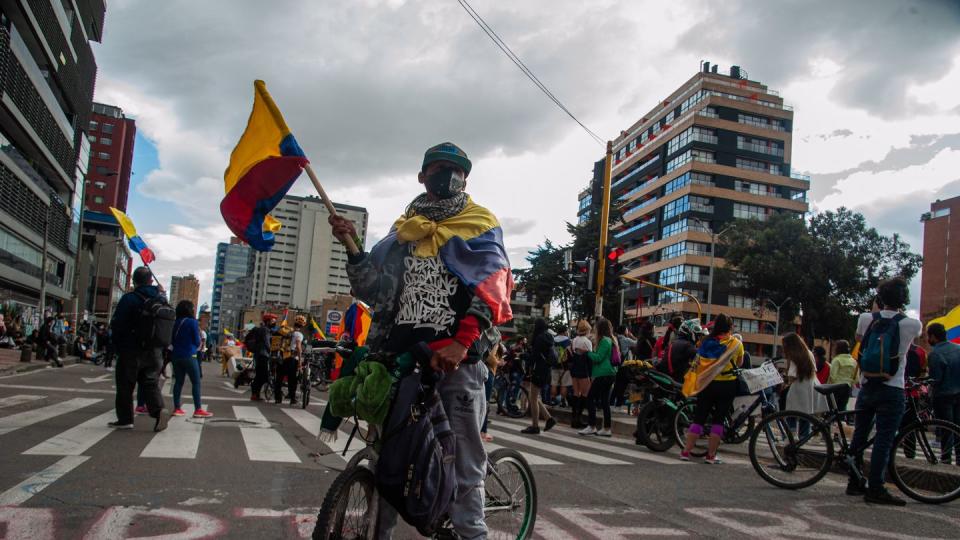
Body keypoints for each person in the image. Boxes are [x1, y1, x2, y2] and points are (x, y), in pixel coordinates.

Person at [329, 142, 512, 539]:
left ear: (466, 178)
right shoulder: (401, 233)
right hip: (400, 361)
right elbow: (374, 293)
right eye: (439, 168)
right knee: (388, 462)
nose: (448, 175)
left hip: (456, 364)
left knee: (464, 466)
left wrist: (462, 343)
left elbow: (493, 290)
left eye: (457, 170)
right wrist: (352, 248)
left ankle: (471, 534)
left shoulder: (479, 224)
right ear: (422, 175)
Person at [847, 277, 922, 505]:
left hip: (867, 386)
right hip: (892, 387)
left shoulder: (866, 318)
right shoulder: (911, 325)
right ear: (904, 299)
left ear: (879, 298)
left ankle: (854, 481)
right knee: (884, 439)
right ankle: (876, 487)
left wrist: (875, 311)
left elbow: (860, 339)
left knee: (860, 434)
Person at [108, 266, 169, 432]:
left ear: (134, 282)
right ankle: (158, 411)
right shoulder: (161, 299)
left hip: (131, 349)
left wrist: (117, 346)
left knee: (125, 385)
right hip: (155, 350)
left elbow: (117, 324)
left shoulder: (129, 299)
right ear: (150, 281)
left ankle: (125, 419)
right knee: (150, 383)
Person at [680, 314, 743, 464]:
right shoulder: (736, 344)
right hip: (727, 385)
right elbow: (739, 364)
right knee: (718, 421)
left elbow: (699, 362)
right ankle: (710, 455)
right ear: (730, 327)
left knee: (699, 418)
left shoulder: (705, 342)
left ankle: (685, 451)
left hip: (707, 384)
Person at [170, 300, 212, 418]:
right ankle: (198, 409)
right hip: (189, 355)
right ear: (189, 310)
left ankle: (177, 408)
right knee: (196, 382)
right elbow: (197, 340)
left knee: (178, 382)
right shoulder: (192, 322)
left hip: (176, 356)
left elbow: (172, 339)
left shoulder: (176, 322)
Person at [927, 322, 960, 464]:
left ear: (933, 336)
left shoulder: (934, 354)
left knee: (946, 428)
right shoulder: (958, 349)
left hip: (943, 395)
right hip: (959, 393)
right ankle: (959, 458)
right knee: (958, 427)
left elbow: (936, 379)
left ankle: (946, 459)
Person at [579, 317, 618, 437]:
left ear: (600, 328)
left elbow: (598, 358)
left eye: (596, 327)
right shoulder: (610, 340)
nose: (595, 329)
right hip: (608, 373)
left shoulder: (605, 341)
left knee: (590, 398)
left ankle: (592, 426)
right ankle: (606, 428)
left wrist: (586, 352)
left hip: (603, 374)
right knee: (605, 401)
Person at [521, 318, 557, 435]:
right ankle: (549, 419)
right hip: (547, 370)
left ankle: (535, 426)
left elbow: (534, 357)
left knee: (533, 398)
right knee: (534, 396)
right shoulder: (549, 337)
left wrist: (524, 356)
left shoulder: (539, 338)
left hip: (539, 370)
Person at [782, 333, 821, 436]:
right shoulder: (808, 353)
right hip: (811, 385)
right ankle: (804, 439)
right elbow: (814, 369)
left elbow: (792, 375)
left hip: (798, 387)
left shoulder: (794, 355)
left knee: (791, 414)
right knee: (805, 416)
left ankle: (790, 438)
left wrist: (786, 383)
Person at [244, 313, 276, 401]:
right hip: (262, 355)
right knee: (263, 376)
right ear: (268, 321)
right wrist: (271, 350)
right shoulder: (265, 330)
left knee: (260, 375)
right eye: (273, 321)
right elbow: (266, 342)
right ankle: (255, 394)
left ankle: (255, 394)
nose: (274, 322)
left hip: (260, 355)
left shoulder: (265, 329)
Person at [569, 319, 593, 429]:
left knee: (576, 393)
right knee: (585, 394)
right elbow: (590, 358)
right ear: (587, 330)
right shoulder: (587, 342)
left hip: (574, 368)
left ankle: (574, 418)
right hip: (584, 369)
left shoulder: (574, 340)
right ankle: (578, 418)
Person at [827, 340, 857, 411]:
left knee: (832, 409)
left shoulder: (837, 360)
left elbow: (832, 376)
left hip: (836, 388)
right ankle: (841, 421)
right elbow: (856, 378)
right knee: (842, 408)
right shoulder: (854, 361)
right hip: (847, 388)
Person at [550, 327, 572, 407]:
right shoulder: (568, 340)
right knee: (564, 384)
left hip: (554, 365)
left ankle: (552, 399)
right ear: (565, 331)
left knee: (554, 383)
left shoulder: (553, 340)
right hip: (565, 366)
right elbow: (571, 353)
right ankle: (563, 401)